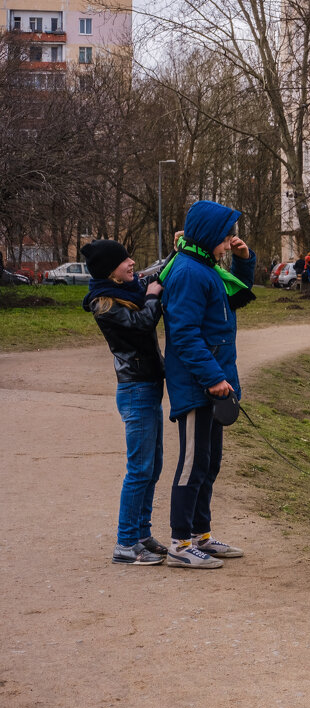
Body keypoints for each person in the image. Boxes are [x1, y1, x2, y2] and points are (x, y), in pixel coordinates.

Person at [160, 201, 256, 569]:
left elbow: (234, 294)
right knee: (191, 464)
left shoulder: (207, 267)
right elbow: (183, 336)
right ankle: (180, 544)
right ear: (209, 235)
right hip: (198, 386)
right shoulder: (188, 272)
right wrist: (214, 379)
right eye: (227, 235)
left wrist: (245, 258)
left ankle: (200, 535)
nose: (231, 240)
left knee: (209, 462)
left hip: (216, 383)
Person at [81, 239, 168, 566]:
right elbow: (142, 323)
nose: (132, 263)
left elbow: (155, 275)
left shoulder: (127, 291)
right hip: (136, 390)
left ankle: (141, 534)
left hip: (148, 386)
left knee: (153, 466)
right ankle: (126, 543)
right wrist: (152, 297)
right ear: (110, 271)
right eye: (124, 261)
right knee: (139, 469)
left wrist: (178, 249)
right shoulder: (104, 303)